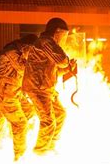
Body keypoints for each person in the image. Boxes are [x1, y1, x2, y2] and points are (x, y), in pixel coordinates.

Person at [22, 18, 77, 154]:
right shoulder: (46, 41)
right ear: (57, 31)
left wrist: (69, 68)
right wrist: (67, 63)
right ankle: (40, 153)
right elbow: (63, 61)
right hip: (37, 88)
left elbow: (55, 70)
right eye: (64, 35)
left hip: (46, 88)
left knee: (60, 114)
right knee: (48, 121)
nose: (64, 38)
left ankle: (50, 146)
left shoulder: (48, 45)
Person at [0, 34, 38, 159]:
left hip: (13, 93)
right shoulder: (12, 54)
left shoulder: (18, 52)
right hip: (4, 95)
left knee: (30, 112)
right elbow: (25, 70)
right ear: (28, 46)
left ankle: (17, 138)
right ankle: (20, 156)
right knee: (20, 124)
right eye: (32, 50)